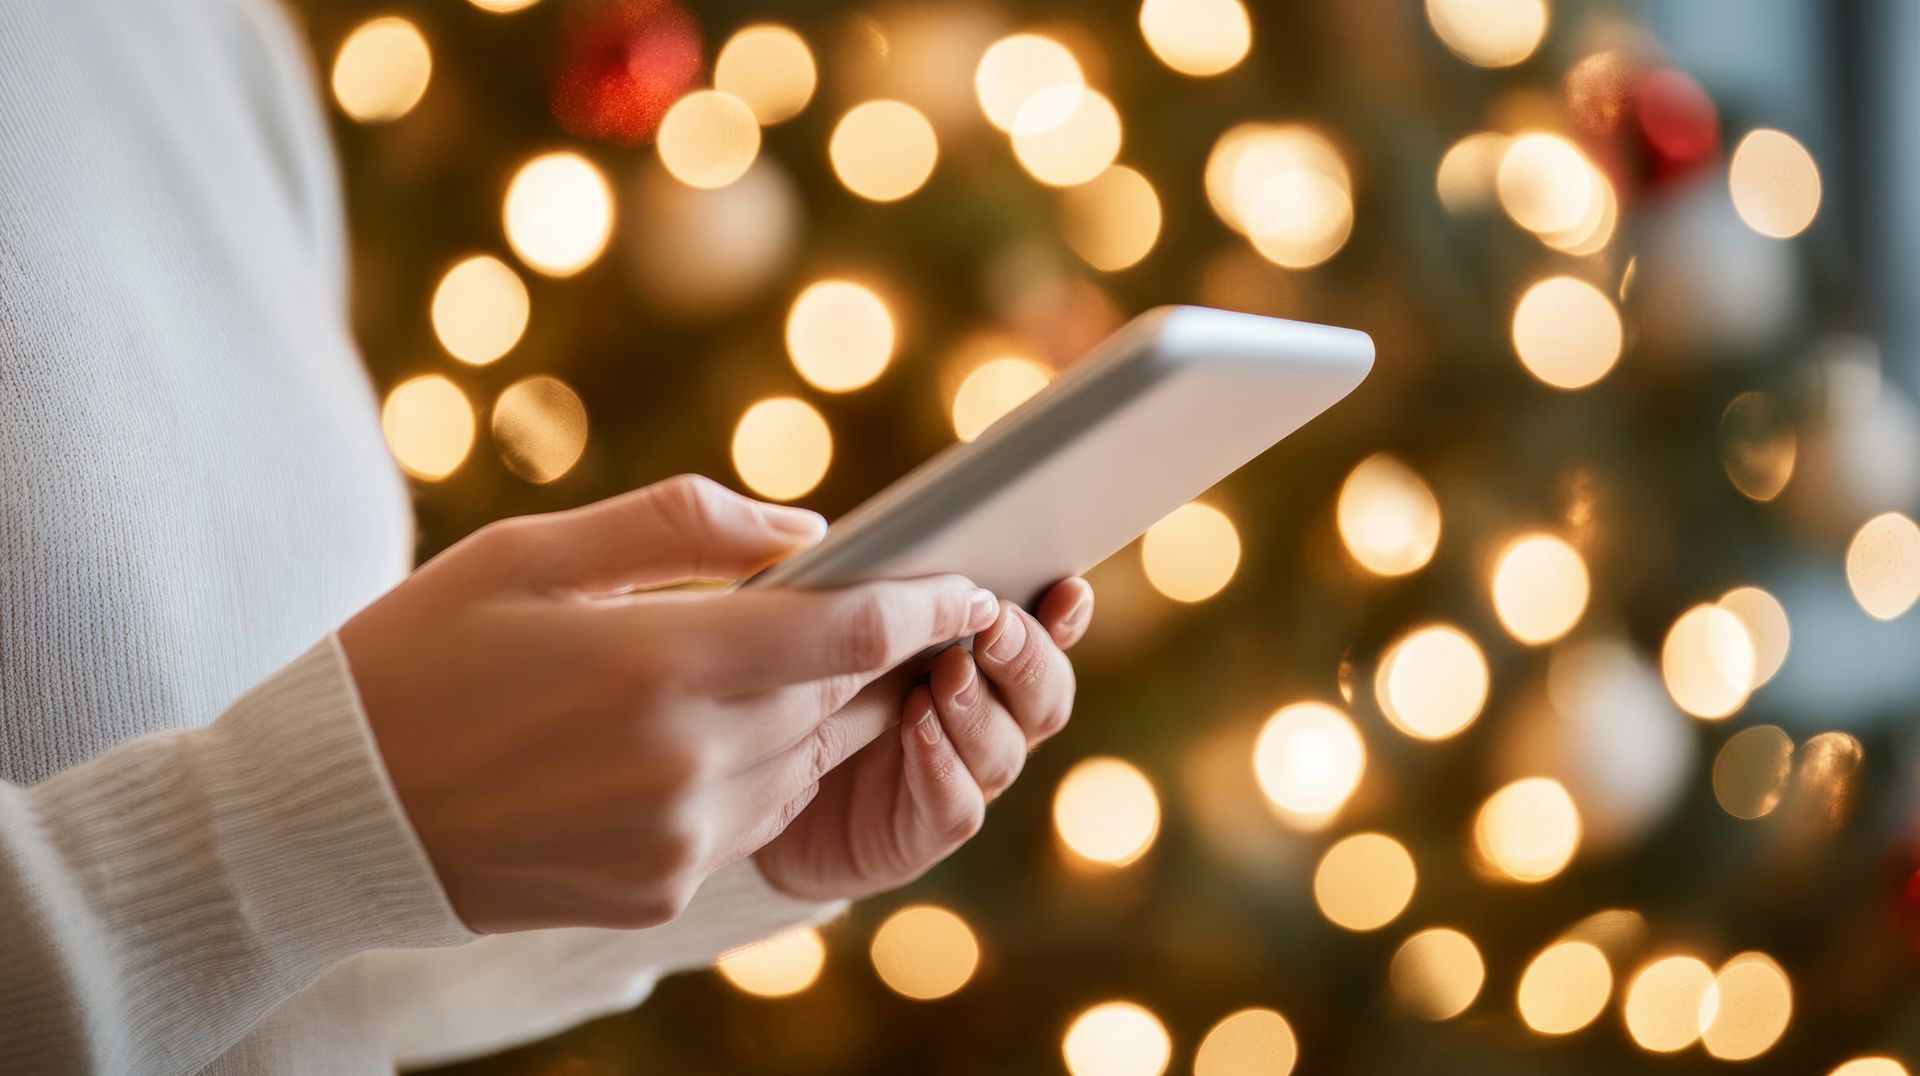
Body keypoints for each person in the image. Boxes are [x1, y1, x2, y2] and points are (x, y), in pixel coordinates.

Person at [0, 1, 1092, 1072]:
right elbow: (261, 866)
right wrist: (269, 840)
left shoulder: (214, 39)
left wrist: (752, 833)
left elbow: (299, 978)